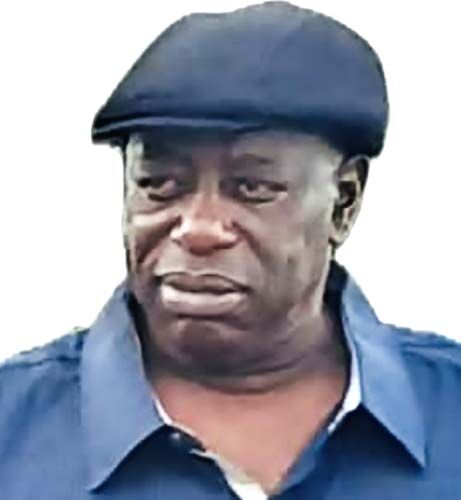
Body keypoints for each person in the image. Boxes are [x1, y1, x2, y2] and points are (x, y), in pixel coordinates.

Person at [1, 2, 460, 499]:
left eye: (252, 188)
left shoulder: (448, 413)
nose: (198, 230)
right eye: (159, 184)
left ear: (343, 203)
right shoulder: (13, 428)